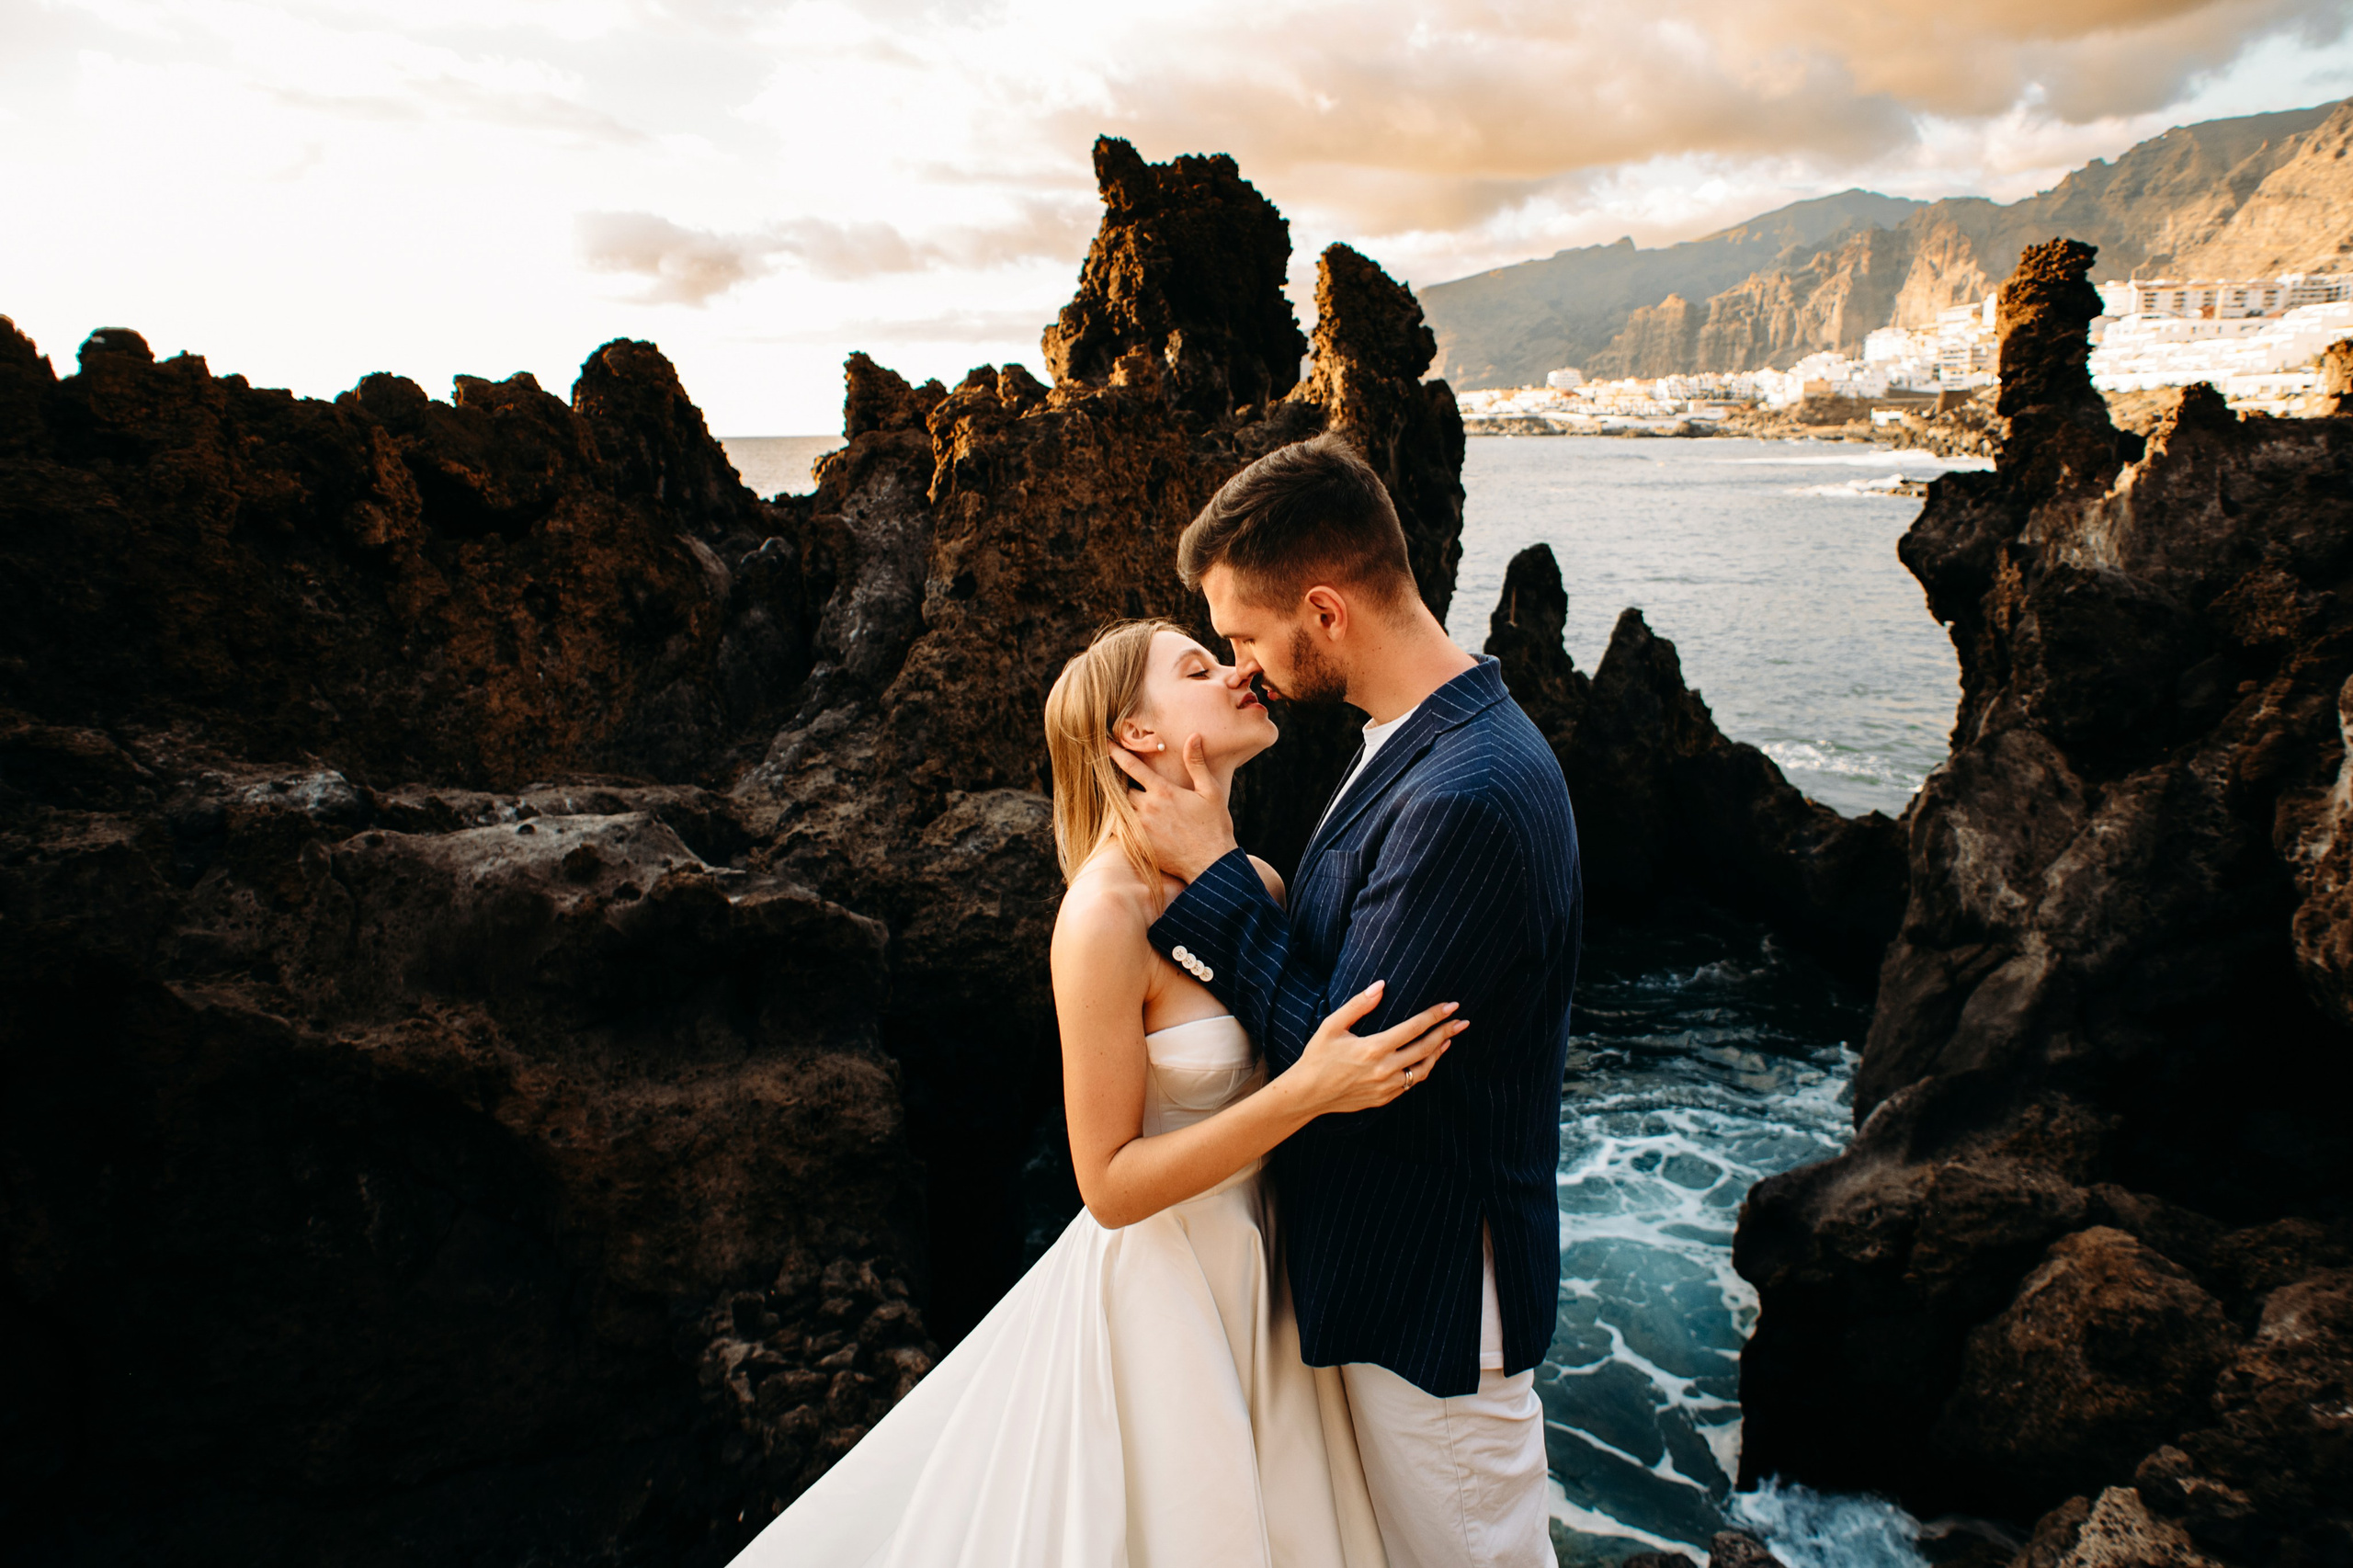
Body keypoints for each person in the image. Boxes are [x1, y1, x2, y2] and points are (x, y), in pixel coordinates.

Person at [733, 616, 1465, 1568]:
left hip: (1271, 1274)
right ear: (1136, 736)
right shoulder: (1103, 915)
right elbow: (1107, 1184)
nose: (1238, 670)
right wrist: (1308, 1095)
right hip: (1163, 1309)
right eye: (1198, 668)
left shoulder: (1263, 883)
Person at [1111, 434, 1583, 1568]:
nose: (1241, 665)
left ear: (1322, 609)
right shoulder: (1411, 739)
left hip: (1430, 1304)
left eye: (1242, 633)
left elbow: (1359, 1065)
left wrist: (1219, 874)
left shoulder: (1463, 793)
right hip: (1388, 1284)